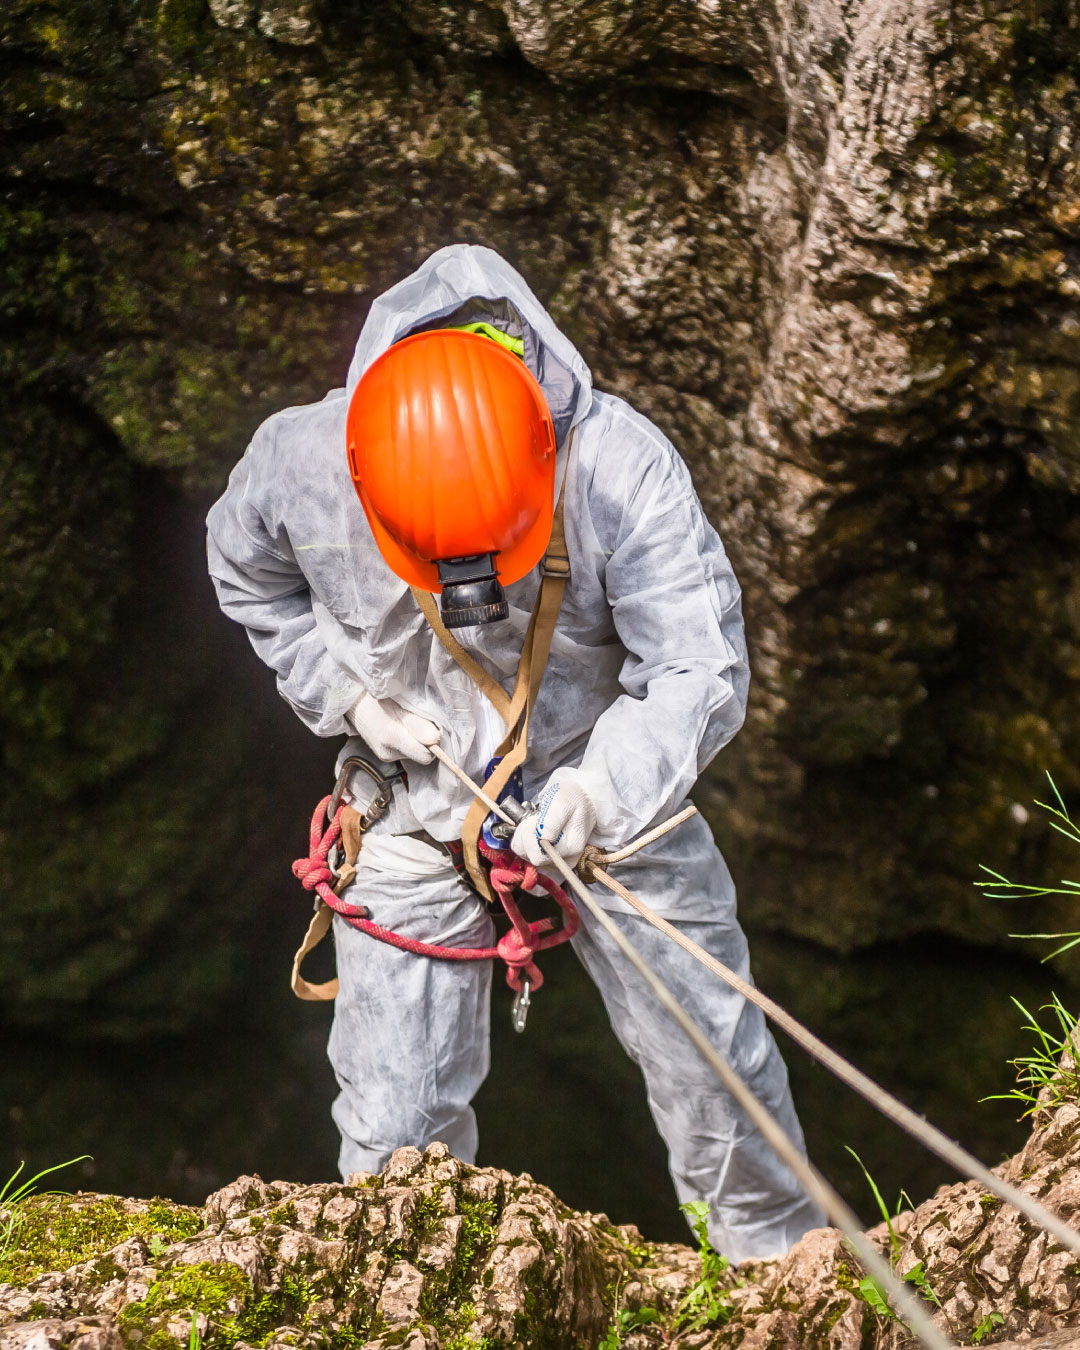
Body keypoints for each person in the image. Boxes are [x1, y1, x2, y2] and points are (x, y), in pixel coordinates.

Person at [206, 244, 825, 1262]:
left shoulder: (616, 469)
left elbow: (696, 668)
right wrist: (350, 697)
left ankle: (771, 1266)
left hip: (605, 785)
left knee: (711, 1061)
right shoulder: (302, 463)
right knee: (393, 1120)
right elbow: (244, 572)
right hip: (412, 792)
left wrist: (600, 791)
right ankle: (406, 1290)